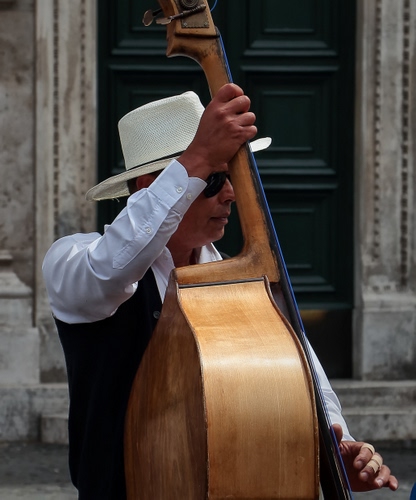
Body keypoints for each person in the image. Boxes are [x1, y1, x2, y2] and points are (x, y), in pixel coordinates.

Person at [43, 83, 398, 499]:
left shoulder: (247, 284)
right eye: (213, 180)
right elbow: (110, 269)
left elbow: (303, 380)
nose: (230, 194)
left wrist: (336, 449)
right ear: (147, 186)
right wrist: (198, 157)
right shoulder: (72, 259)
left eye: (231, 177)